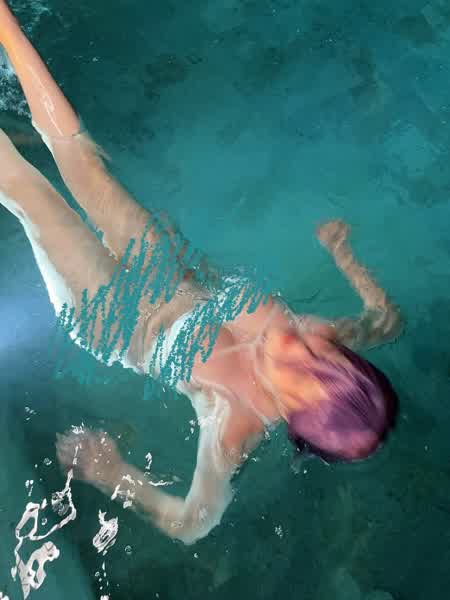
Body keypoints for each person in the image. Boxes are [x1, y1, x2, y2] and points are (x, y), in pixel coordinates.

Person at [0, 0, 401, 545]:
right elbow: (383, 320)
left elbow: (193, 523)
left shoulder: (234, 426)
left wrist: (113, 472)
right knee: (78, 155)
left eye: (299, 367)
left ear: (293, 415)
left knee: (30, 192)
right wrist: (345, 257)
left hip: (115, 322)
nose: (298, 341)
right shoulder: (322, 337)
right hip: (164, 268)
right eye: (321, 351)